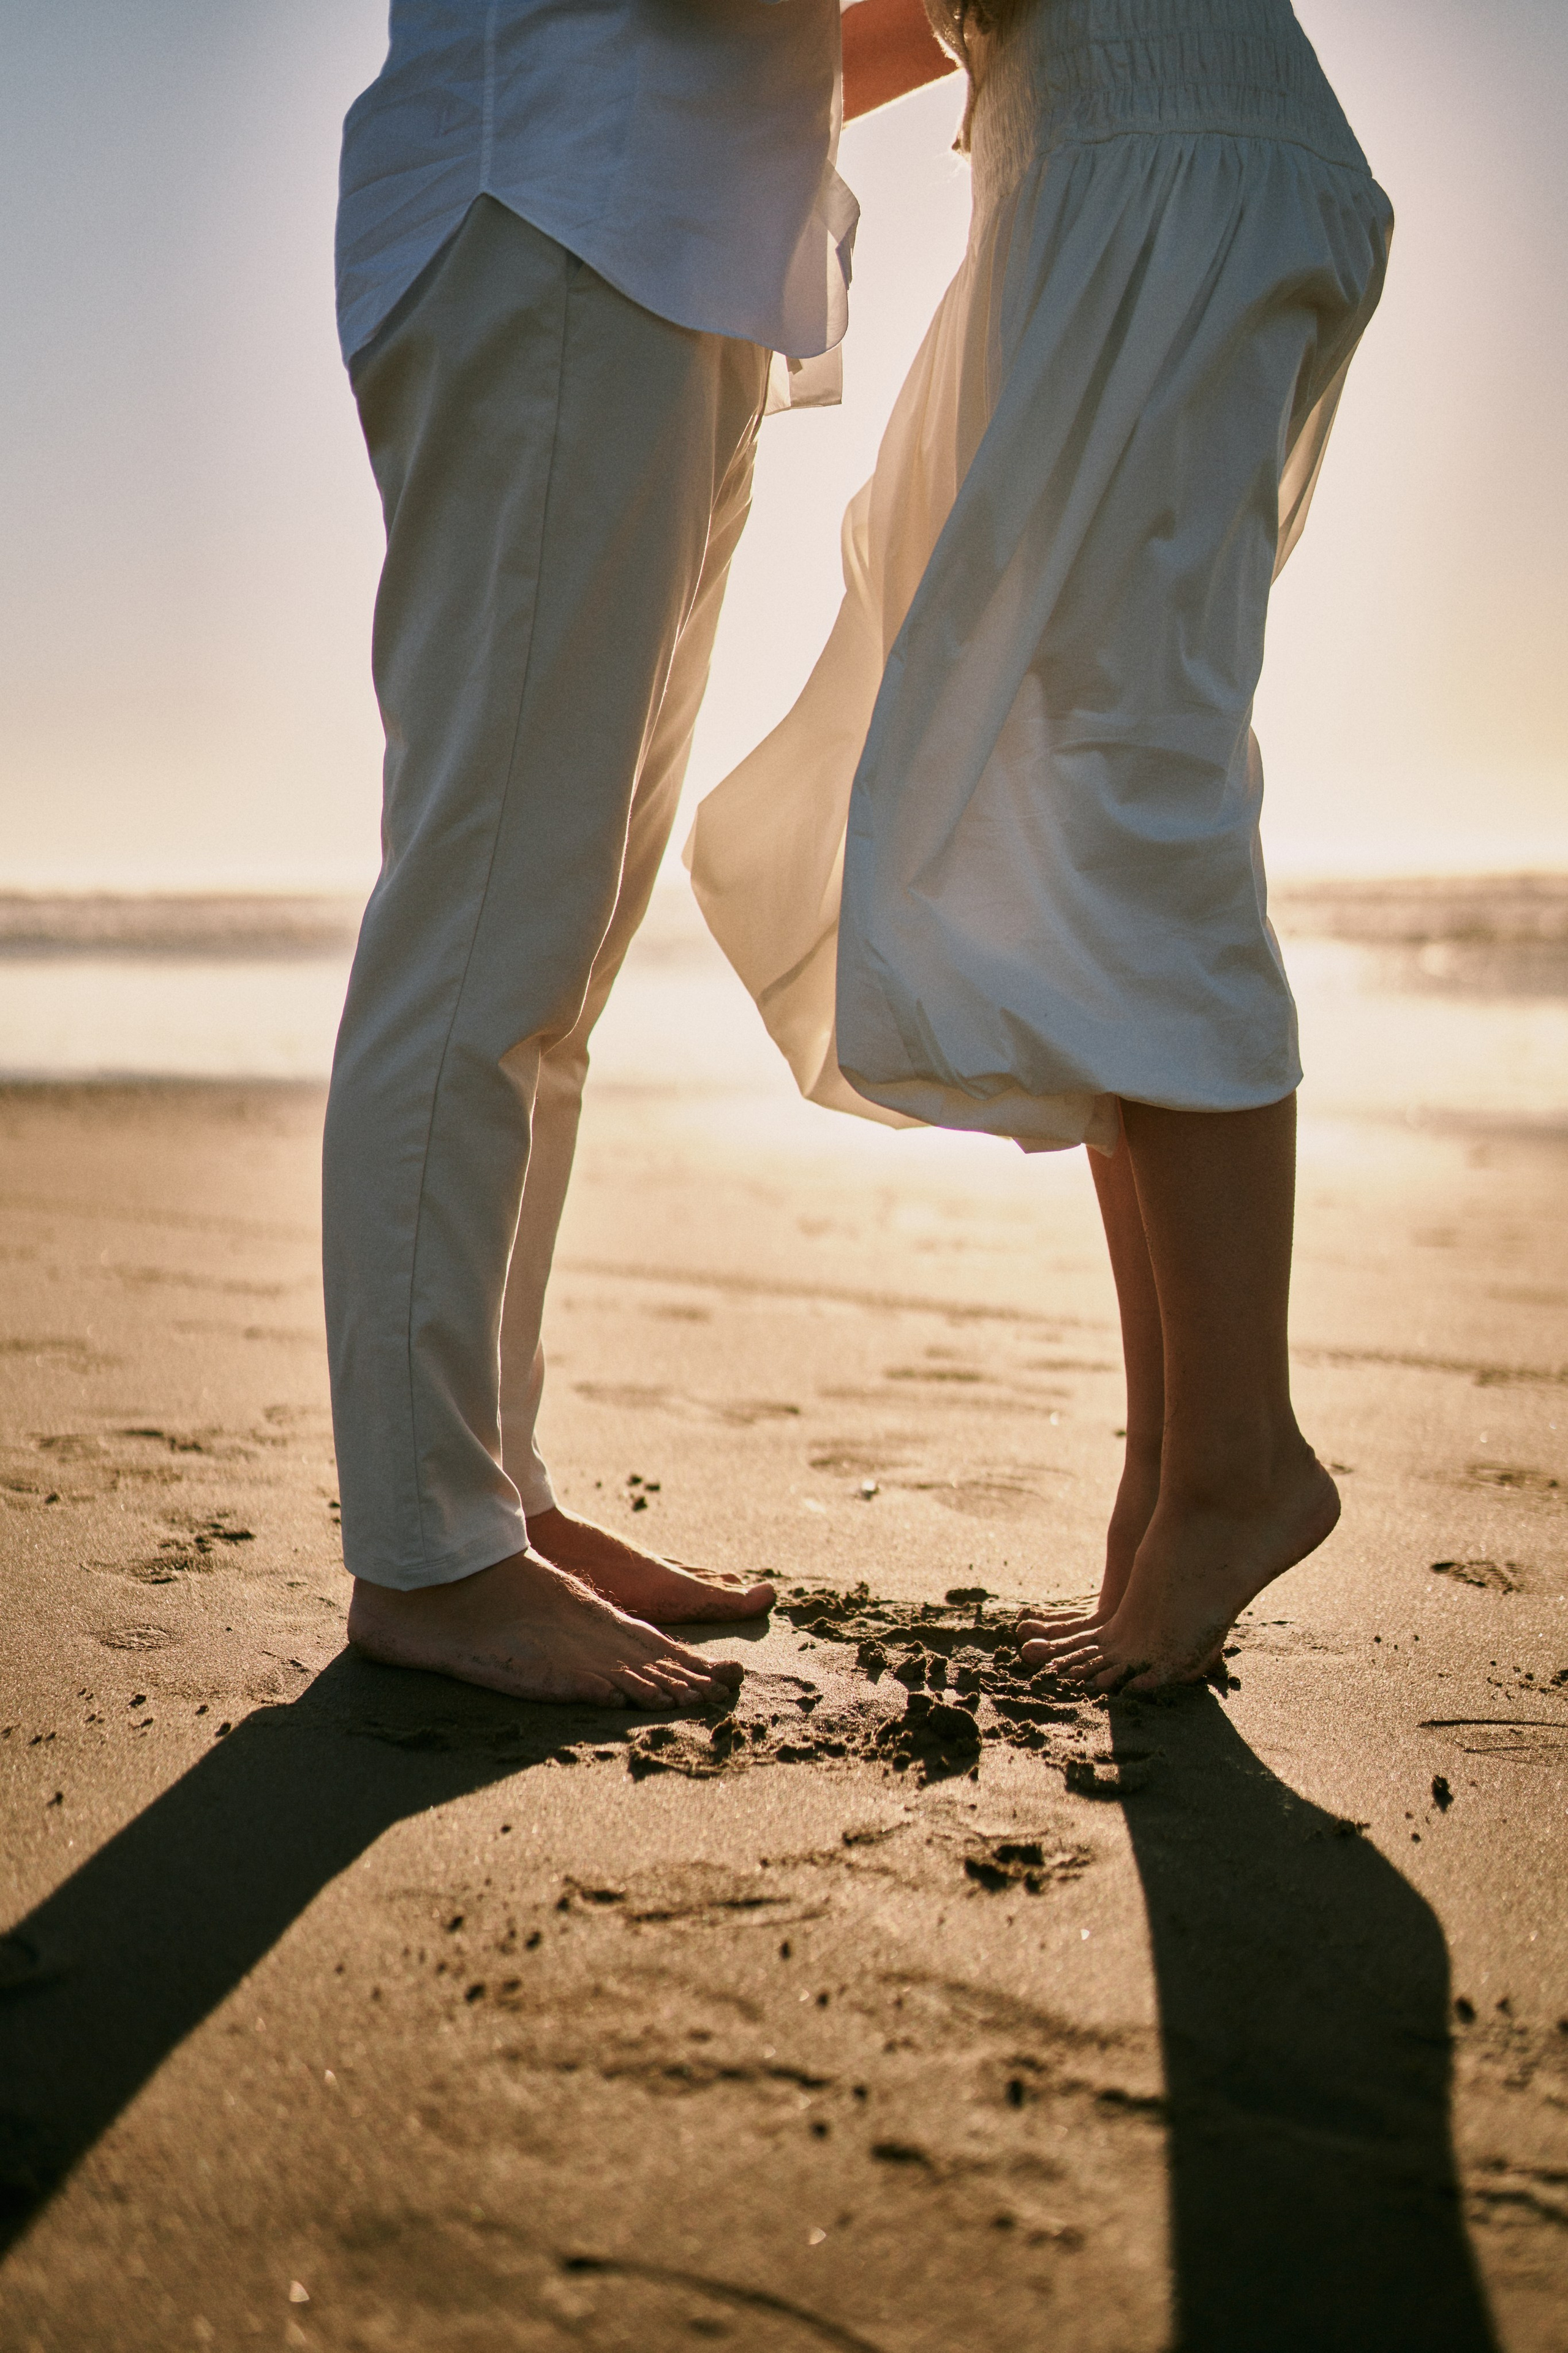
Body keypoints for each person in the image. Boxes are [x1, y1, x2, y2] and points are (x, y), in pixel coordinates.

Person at [688, 0, 1392, 1691]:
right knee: (1068, 814)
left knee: (1130, 801)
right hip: (1104, 149)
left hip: (1153, 152)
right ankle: (1169, 1479)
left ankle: (1236, 1459)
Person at [321, 0, 956, 1708]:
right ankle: (430, 1547)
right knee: (490, 923)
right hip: (559, 230)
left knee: (559, 958)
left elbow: (807, 46)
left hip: (659, 261)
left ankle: (493, 1485)